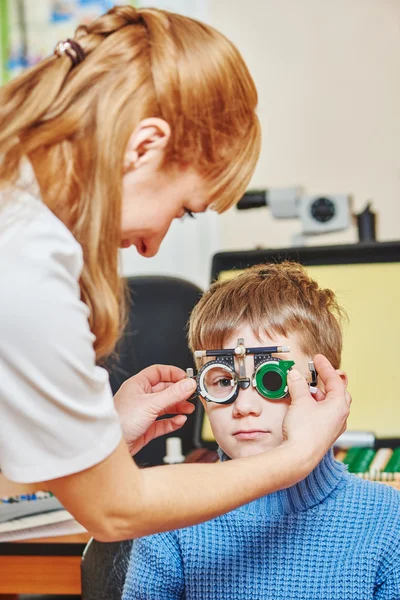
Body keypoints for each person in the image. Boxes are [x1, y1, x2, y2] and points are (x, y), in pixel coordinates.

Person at [0, 5, 350, 542]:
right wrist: (298, 457)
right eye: (184, 209)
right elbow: (114, 510)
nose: (150, 247)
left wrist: (99, 439)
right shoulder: (27, 261)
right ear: (143, 147)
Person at [123, 262, 400, 600]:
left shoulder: (387, 521)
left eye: (272, 379)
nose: (244, 406)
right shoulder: (169, 522)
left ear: (329, 391)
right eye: (223, 381)